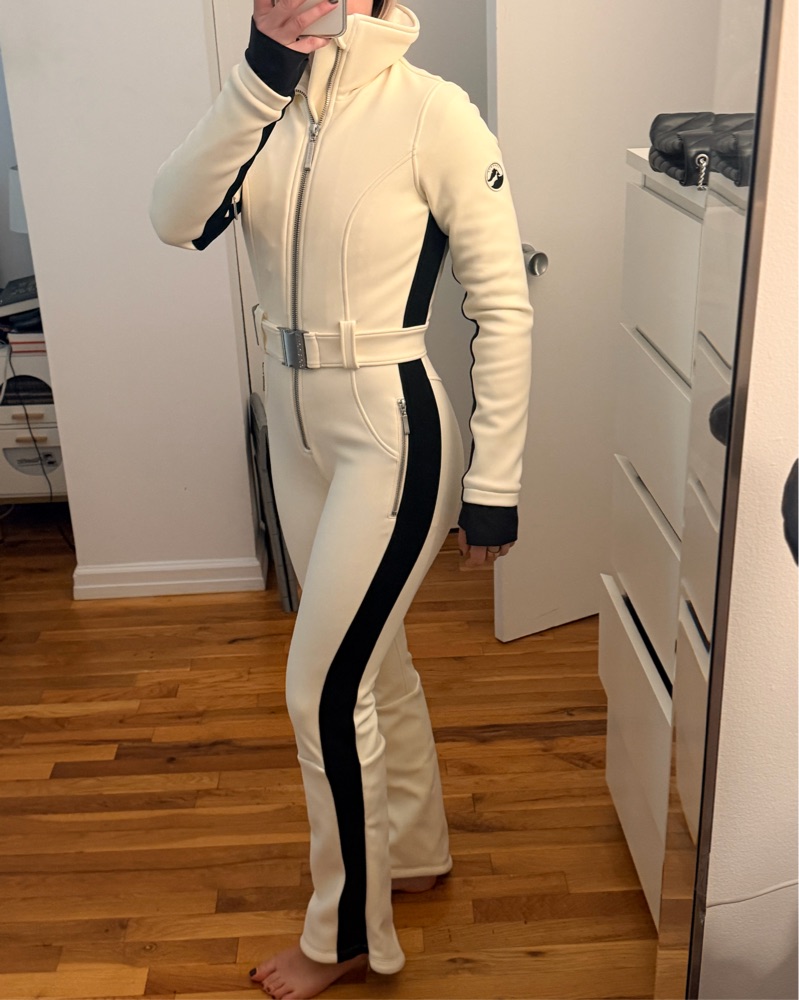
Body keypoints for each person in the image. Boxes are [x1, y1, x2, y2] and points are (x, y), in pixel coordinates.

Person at [150, 1, 533, 996]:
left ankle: (347, 934)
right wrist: (257, 78)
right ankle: (415, 847)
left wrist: (494, 480)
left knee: (321, 689)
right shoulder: (263, 102)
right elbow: (174, 218)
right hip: (292, 422)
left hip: (389, 428)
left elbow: (502, 303)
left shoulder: (434, 111)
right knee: (374, 659)